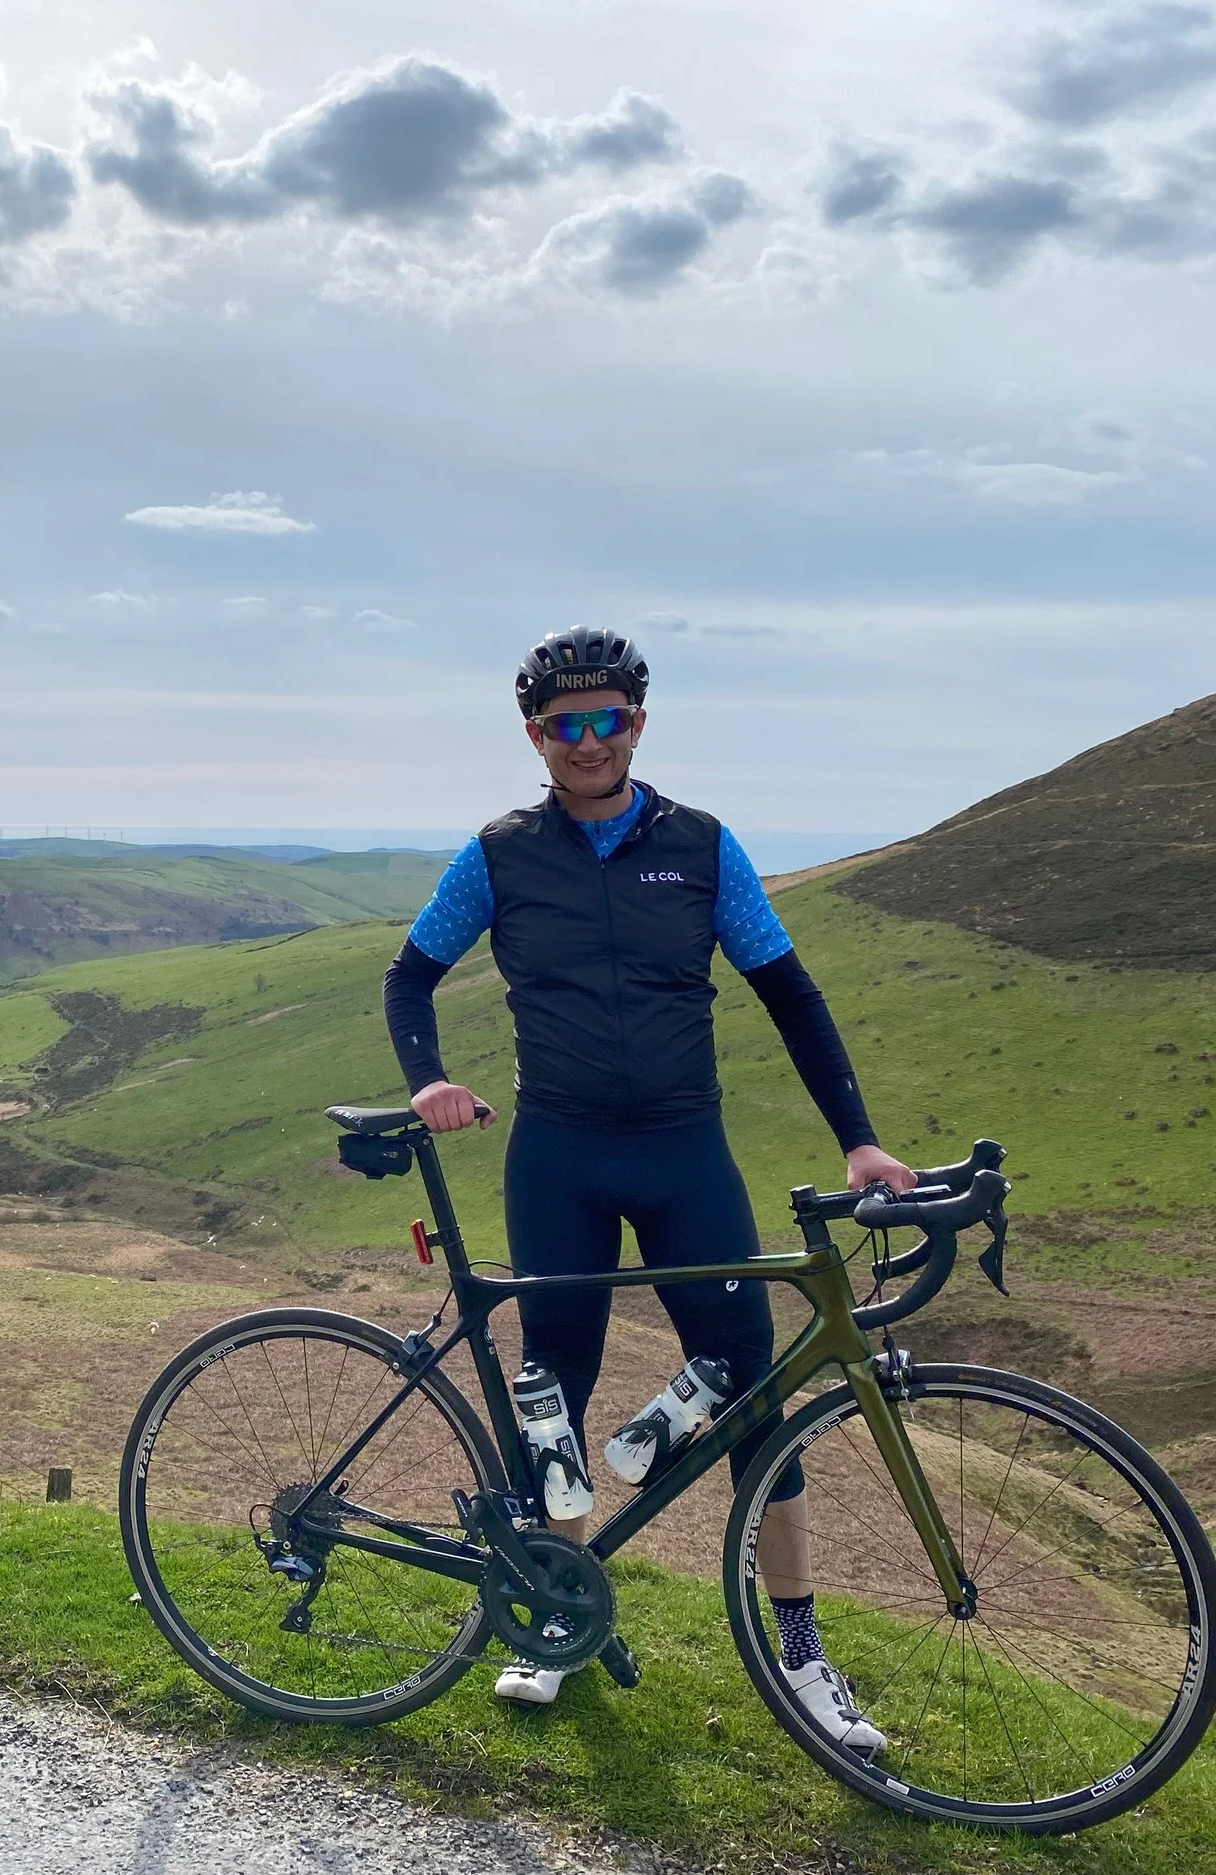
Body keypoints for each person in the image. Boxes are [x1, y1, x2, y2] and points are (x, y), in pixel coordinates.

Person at [384, 626, 917, 1746]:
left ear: (637, 721)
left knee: (754, 1398)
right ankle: (554, 1621)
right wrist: (428, 1080)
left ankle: (802, 1655)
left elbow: (791, 995)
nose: (587, 742)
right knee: (553, 1388)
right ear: (533, 735)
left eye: (607, 719)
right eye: (563, 725)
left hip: (684, 1154)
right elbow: (411, 975)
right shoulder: (498, 854)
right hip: (558, 1156)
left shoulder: (703, 848)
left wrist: (860, 1143)